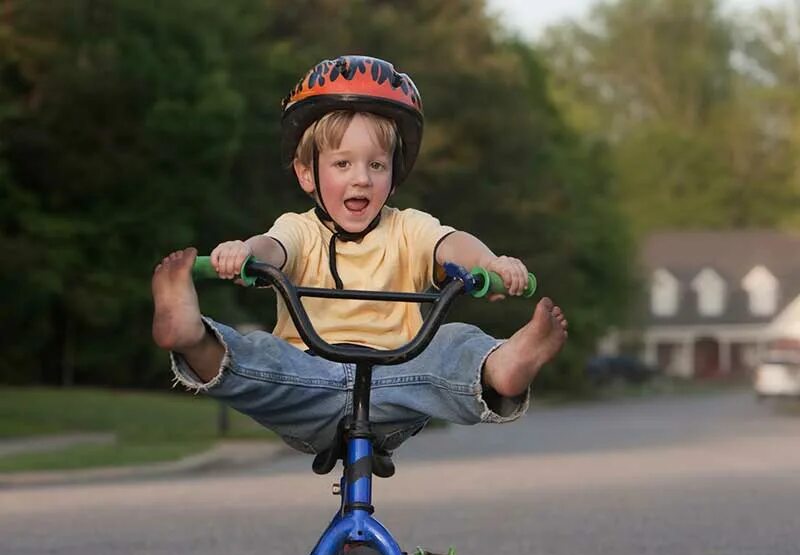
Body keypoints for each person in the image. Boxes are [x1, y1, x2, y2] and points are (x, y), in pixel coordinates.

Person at [152, 55, 568, 458]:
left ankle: (502, 367)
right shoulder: (300, 229)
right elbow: (273, 249)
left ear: (395, 173)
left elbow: (451, 244)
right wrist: (244, 253)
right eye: (342, 164)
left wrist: (490, 264)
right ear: (306, 173)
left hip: (399, 378)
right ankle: (193, 339)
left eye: (376, 164)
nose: (361, 179)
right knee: (259, 352)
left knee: (452, 341)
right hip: (308, 381)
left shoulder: (408, 227)